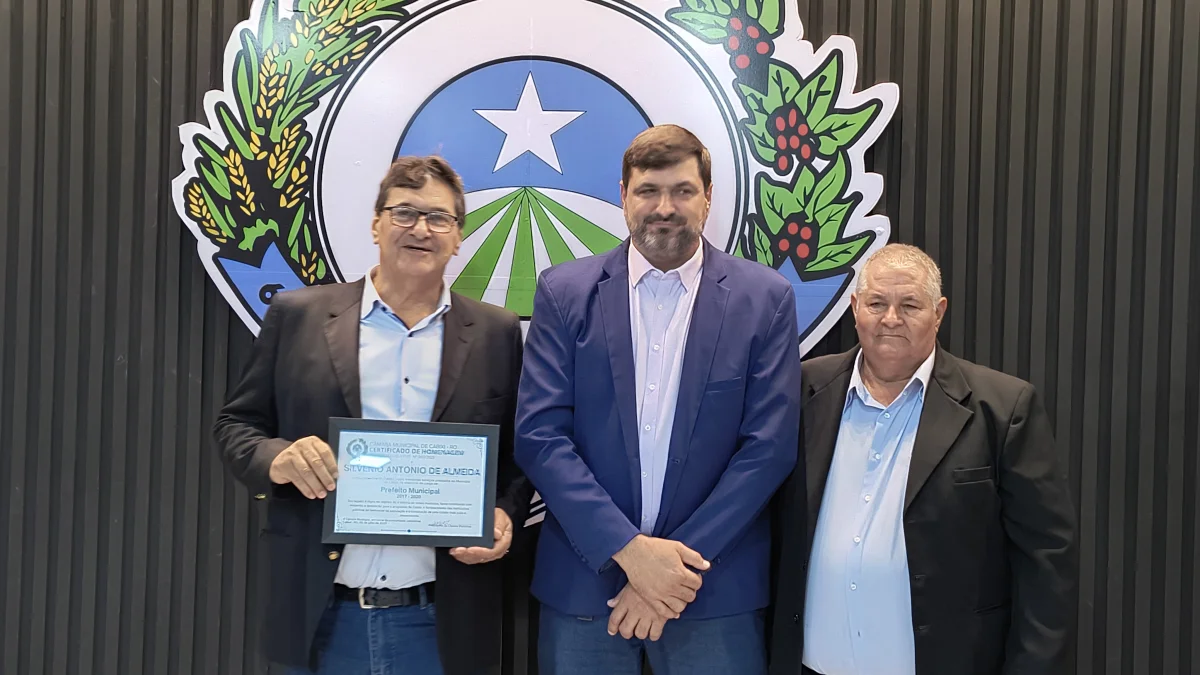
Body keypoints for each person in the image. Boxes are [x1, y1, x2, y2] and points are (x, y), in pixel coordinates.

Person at [212, 156, 531, 675]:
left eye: (439, 218)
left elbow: (518, 456)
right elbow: (236, 426)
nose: (420, 229)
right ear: (376, 224)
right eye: (404, 212)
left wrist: (504, 513)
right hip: (322, 616)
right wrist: (277, 458)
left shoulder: (496, 333)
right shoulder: (298, 316)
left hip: (443, 621)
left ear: (458, 238)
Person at [515, 124, 802, 675]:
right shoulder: (564, 293)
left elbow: (767, 449)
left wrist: (672, 571)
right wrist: (630, 552)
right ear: (623, 195)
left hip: (712, 589)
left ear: (708, 197)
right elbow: (540, 436)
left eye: (682, 191)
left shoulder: (765, 299)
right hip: (586, 584)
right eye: (648, 190)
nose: (664, 208)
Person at [769, 243, 1077, 675]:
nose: (891, 319)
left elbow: (1047, 560)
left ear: (939, 312)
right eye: (877, 303)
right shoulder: (803, 390)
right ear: (855, 308)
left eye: (910, 305)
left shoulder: (1002, 409)